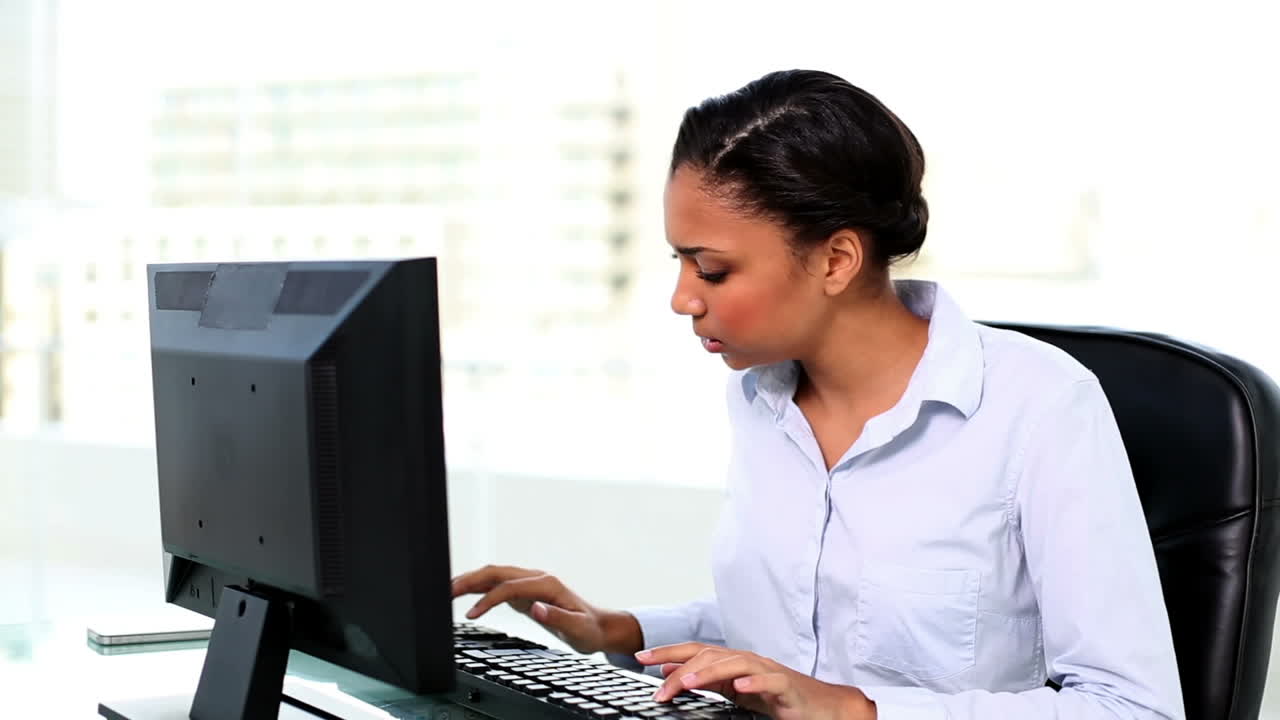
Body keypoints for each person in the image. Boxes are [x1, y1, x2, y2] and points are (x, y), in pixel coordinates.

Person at [451, 69, 1185, 720]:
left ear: (835, 258)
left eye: (710, 271)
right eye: (679, 262)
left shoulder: (1040, 406)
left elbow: (1132, 706)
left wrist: (856, 710)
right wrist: (617, 630)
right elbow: (788, 630)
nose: (682, 299)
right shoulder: (761, 399)